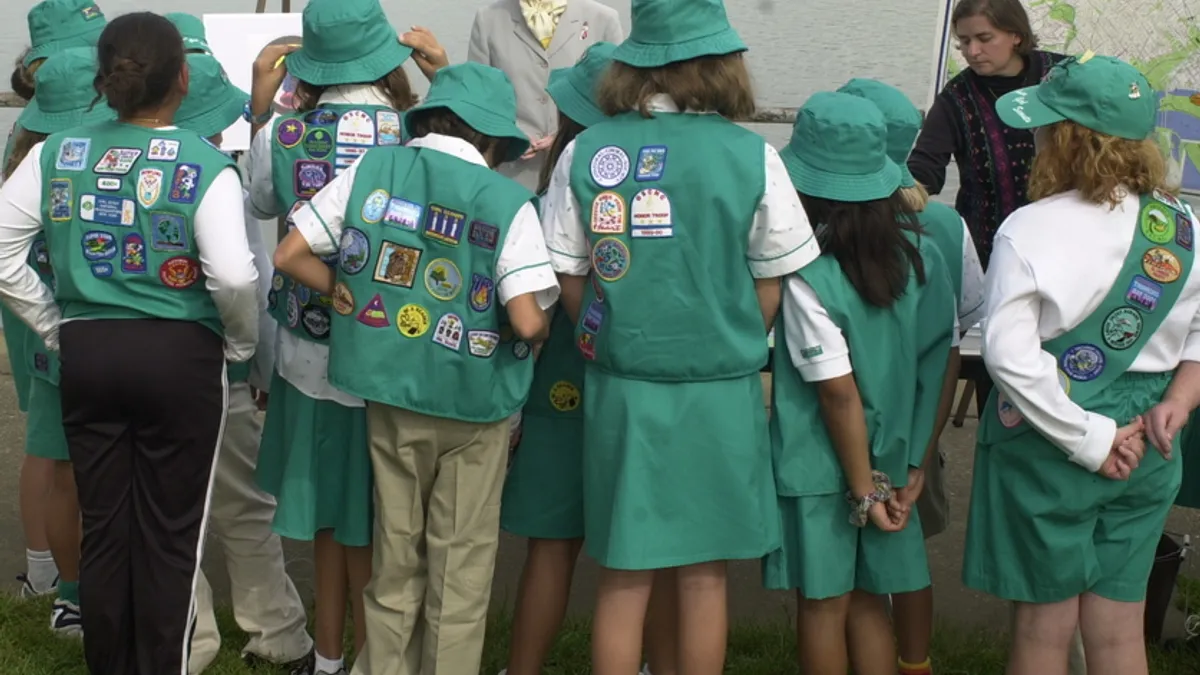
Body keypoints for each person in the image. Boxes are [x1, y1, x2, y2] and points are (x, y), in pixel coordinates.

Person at [541, 0, 821, 672]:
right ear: (721, 62)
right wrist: (722, 337)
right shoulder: (754, 155)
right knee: (704, 576)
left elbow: (568, 274)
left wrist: (611, 335)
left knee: (623, 573)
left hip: (623, 389)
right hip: (719, 392)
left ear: (636, 61)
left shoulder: (587, 150)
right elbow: (771, 280)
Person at [273, 60, 558, 675]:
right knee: (459, 567)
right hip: (474, 408)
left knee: (395, 559)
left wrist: (347, 299)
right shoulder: (508, 200)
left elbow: (291, 252)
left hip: (388, 395)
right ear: (490, 139)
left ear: (425, 118)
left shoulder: (373, 169)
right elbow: (529, 321)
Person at [0, 11, 259, 674]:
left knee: (106, 529)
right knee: (171, 537)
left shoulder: (60, 151)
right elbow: (231, 273)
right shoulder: (206, 164)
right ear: (182, 77)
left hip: (90, 351)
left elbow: (3, 247)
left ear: (104, 79)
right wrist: (237, 343)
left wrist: (58, 323)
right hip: (181, 357)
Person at [963, 53, 1200, 675]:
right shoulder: (1180, 227)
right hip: (1152, 433)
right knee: (1121, 629)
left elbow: (1010, 357)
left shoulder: (1030, 228)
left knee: (1045, 630)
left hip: (1054, 431)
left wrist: (1091, 438)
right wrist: (1180, 399)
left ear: (1064, 140)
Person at [245, 1, 428, 672]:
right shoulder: (412, 132)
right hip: (393, 346)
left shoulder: (285, 131)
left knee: (325, 515)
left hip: (304, 347)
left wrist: (263, 114)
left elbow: (261, 201)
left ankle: (326, 656)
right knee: (377, 521)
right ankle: (380, 653)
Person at [762, 91, 958, 675]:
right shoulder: (923, 257)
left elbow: (835, 391)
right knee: (872, 600)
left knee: (823, 608)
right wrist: (914, 466)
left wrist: (861, 490)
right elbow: (940, 364)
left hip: (824, 473)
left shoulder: (805, 274)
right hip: (897, 464)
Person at [171, 48, 315, 675]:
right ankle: (277, 634)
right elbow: (244, 279)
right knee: (247, 507)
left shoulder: (107, 161)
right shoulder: (212, 173)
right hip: (218, 370)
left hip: (143, 367)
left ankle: (189, 639)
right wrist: (251, 362)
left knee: (169, 515)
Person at [837, 76, 986, 675]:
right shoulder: (947, 225)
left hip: (841, 422)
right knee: (907, 553)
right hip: (917, 428)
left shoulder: (833, 218)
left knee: (851, 573)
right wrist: (924, 454)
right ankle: (915, 661)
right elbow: (957, 335)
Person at [498, 40, 614, 675]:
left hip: (558, 382)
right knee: (642, 556)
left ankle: (524, 668)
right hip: (633, 379)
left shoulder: (545, 200)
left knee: (551, 544)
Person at [3, 46, 114, 637]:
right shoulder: (104, 157)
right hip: (108, 339)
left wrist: (46, 322)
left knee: (62, 474)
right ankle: (90, 590)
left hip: (56, 346)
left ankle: (66, 596)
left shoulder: (31, 157)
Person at [908, 0, 1065, 270]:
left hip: (1068, 241)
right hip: (991, 252)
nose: (973, 51)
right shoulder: (955, 100)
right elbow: (924, 170)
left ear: (1016, 35)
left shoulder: (1064, 77)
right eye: (964, 41)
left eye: (984, 38)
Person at [467, 0, 624, 190]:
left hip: (582, 174)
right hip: (512, 177)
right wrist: (510, 135)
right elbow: (478, 103)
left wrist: (567, 134)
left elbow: (617, 104)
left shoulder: (603, 19)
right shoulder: (488, 19)